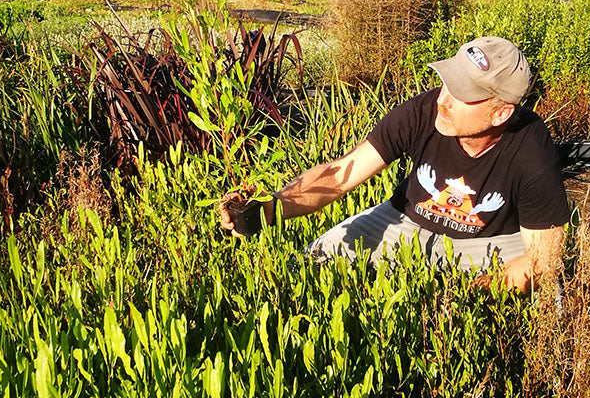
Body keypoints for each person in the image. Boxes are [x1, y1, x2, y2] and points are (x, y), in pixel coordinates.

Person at [219, 36, 569, 292]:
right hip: (406, 222)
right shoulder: (424, 112)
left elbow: (544, 260)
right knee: (308, 265)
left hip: (486, 243)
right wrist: (269, 209)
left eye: (462, 94)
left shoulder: (532, 153)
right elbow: (340, 175)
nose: (443, 101)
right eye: (447, 83)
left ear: (501, 113)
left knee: (550, 292)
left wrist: (465, 296)